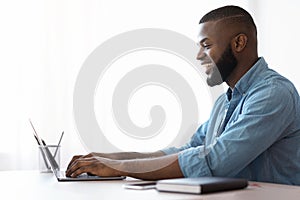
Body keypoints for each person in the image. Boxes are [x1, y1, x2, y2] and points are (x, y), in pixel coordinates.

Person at [66, 5, 300, 185]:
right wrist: (112, 159)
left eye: (206, 45)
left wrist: (122, 168)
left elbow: (215, 161)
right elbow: (185, 152)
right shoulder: (224, 102)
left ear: (239, 43)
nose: (199, 56)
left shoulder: (273, 94)